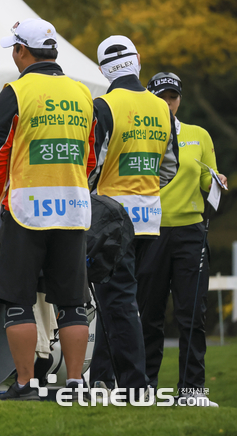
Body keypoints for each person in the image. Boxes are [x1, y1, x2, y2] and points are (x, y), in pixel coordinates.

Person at [0, 18, 96, 400]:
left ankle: (25, 383)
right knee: (72, 301)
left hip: (25, 209)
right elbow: (90, 156)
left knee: (18, 299)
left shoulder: (16, 90)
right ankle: (76, 383)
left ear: (22, 51)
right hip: (72, 208)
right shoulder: (83, 92)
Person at [88, 36, 179, 398]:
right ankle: (101, 378)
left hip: (112, 220)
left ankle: (133, 386)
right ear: (138, 60)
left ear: (101, 70)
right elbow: (169, 166)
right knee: (123, 301)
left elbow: (92, 165)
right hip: (150, 218)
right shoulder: (161, 108)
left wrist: (99, 195)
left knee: (118, 301)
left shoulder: (104, 104)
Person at [136, 72, 226, 406]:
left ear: (180, 99)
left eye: (172, 97)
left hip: (191, 232)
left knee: (192, 314)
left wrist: (215, 180)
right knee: (149, 312)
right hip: (151, 231)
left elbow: (206, 176)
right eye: (161, 98)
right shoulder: (140, 135)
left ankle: (191, 391)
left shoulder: (198, 134)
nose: (168, 104)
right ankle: (144, 388)